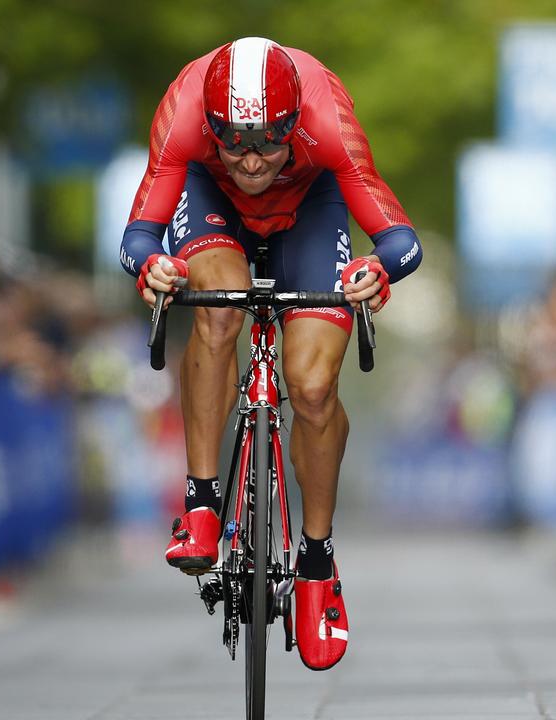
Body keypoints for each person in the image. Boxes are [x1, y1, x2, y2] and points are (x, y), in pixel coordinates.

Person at [118, 36, 422, 671]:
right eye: (233, 141)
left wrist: (377, 270)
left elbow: (400, 240)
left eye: (266, 143)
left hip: (312, 208)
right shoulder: (184, 111)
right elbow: (140, 230)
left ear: (294, 124)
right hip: (211, 205)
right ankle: (202, 501)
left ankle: (315, 561)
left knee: (311, 388)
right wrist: (152, 266)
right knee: (220, 308)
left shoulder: (327, 117)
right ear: (211, 126)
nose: (252, 161)